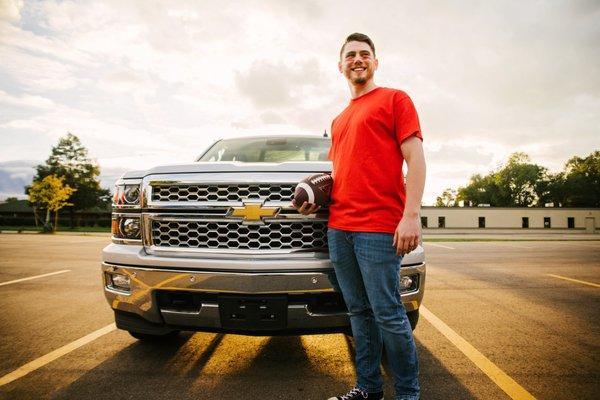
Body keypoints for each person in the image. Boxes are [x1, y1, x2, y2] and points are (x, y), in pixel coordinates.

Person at [294, 33, 425, 400]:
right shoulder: (338, 120)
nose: (357, 59)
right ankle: (368, 389)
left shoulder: (395, 99)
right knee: (358, 314)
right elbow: (341, 175)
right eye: (350, 55)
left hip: (380, 228)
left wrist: (410, 215)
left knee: (388, 314)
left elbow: (416, 159)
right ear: (340, 66)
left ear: (375, 62)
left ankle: (408, 394)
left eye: (364, 54)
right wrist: (315, 203)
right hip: (339, 228)